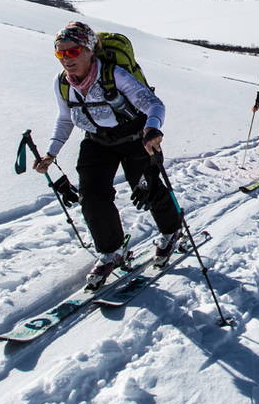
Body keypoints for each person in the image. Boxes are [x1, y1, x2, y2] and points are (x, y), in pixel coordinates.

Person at [33, 22, 183, 287]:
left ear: (90, 50)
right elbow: (65, 118)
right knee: (91, 195)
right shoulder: (63, 83)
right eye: (60, 53)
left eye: (73, 52)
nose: (66, 59)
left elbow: (153, 104)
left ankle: (171, 231)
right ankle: (111, 250)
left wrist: (152, 129)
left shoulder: (114, 75)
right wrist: (51, 153)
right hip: (96, 141)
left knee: (146, 187)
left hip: (136, 136)